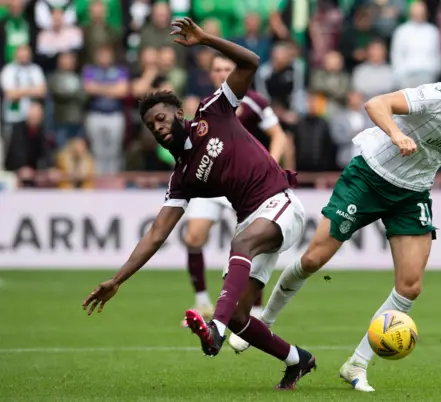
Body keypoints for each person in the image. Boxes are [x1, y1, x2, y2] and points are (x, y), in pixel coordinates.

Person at [233, 48, 441, 392]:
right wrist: (397, 134)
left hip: (412, 194)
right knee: (313, 259)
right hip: (369, 177)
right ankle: (264, 321)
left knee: (411, 286)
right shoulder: (435, 96)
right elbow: (375, 104)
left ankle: (357, 364)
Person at [81, 18, 315, 390]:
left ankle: (215, 326)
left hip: (281, 204)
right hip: (252, 222)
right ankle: (297, 359)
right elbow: (157, 233)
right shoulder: (182, 176)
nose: (157, 128)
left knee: (239, 246)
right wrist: (117, 280)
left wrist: (206, 40)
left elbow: (251, 62)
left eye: (160, 118)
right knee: (241, 315)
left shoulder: (213, 111)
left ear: (177, 113)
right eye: (150, 126)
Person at [182, 52, 288, 332]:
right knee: (193, 237)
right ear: (211, 74)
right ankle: (203, 302)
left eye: (226, 68)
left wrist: (271, 165)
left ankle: (253, 309)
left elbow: (279, 135)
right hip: (214, 185)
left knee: (253, 243)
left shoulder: (254, 101)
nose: (221, 73)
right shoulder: (207, 106)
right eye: (216, 69)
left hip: (248, 184)